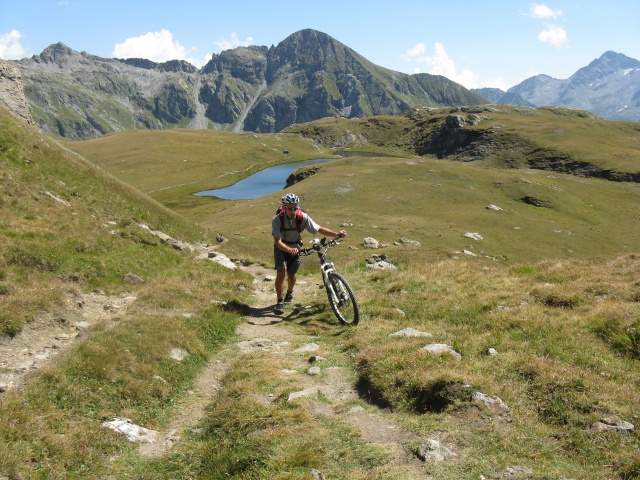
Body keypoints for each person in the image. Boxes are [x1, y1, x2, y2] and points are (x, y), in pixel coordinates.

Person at [272, 193, 347, 315]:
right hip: (281, 247)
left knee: (291, 274)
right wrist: (289, 249)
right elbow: (277, 242)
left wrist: (336, 234)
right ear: (284, 207)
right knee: (281, 271)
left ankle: (289, 292)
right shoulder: (277, 220)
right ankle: (279, 302)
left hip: (296, 247)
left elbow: (318, 229)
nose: (293, 211)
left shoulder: (302, 217)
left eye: (295, 208)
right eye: (290, 208)